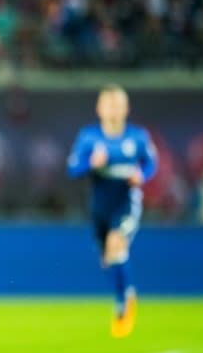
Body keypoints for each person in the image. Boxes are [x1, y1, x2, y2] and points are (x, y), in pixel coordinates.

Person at [67, 84, 157, 338]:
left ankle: (124, 301)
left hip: (125, 201)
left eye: (118, 104)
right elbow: (73, 169)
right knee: (107, 258)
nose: (113, 110)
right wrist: (90, 164)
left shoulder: (138, 137)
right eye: (109, 104)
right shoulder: (89, 137)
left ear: (127, 108)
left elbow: (151, 163)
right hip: (100, 205)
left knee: (116, 243)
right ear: (99, 108)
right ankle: (123, 294)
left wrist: (142, 175)